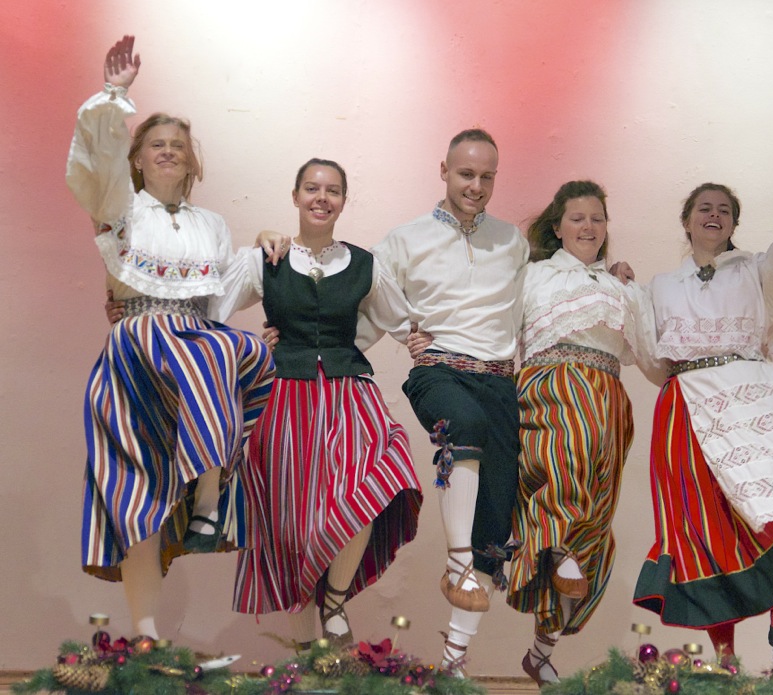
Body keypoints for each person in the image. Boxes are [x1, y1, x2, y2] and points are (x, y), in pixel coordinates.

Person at [67, 35, 274, 640]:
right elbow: (95, 168)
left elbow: (222, 294)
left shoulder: (211, 224)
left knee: (237, 349)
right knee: (137, 494)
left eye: (177, 147)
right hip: (139, 350)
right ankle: (146, 633)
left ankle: (208, 499)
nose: (167, 152)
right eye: (155, 144)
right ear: (136, 158)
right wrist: (115, 95)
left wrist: (266, 251)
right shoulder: (122, 209)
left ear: (191, 163)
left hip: (191, 344)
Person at [632, 150, 773, 664]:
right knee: (701, 526)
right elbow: (649, 355)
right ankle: (724, 656)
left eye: (724, 209)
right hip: (686, 406)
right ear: (686, 221)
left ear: (733, 224)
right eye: (704, 208)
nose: (714, 214)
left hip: (750, 400)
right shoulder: (660, 287)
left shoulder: (756, 272)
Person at [212, 159, 422, 650]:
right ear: (295, 196)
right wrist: (250, 347)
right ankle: (307, 657)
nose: (321, 198)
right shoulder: (265, 259)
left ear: (344, 201)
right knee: (290, 525)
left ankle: (335, 600)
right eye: (312, 188)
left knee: (374, 481)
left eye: (332, 190)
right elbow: (209, 311)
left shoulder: (366, 264)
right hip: (284, 399)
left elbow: (405, 323)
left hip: (349, 394)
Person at [372, 129, 530, 675]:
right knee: (462, 425)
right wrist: (401, 331)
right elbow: (365, 295)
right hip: (439, 371)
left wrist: (610, 273)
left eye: (487, 176)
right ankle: (457, 561)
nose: (476, 186)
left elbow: (539, 295)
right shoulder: (405, 239)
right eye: (466, 174)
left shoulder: (511, 241)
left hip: (499, 382)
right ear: (443, 170)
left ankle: (453, 662)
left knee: (495, 522)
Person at [503, 181, 663, 686]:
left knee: (595, 515)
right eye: (577, 218)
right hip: (553, 385)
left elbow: (652, 355)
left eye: (597, 218)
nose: (588, 227)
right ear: (557, 227)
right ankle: (554, 548)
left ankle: (541, 649)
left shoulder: (621, 286)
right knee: (563, 466)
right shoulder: (533, 276)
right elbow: (499, 332)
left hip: (609, 398)